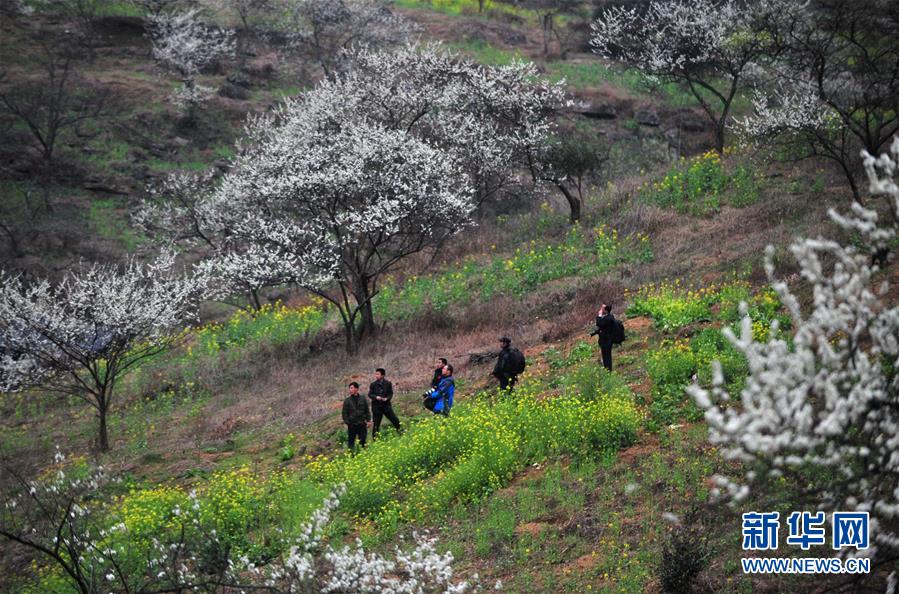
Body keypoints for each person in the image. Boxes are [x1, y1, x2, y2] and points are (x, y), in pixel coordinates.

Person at [369, 368, 401, 438]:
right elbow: (370, 394)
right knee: (376, 424)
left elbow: (390, 393)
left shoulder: (388, 383)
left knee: (395, 420)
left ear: (382, 375)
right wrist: (376, 397)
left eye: (378, 374)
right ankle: (375, 439)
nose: (376, 376)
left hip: (386, 406)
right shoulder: (373, 384)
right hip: (376, 407)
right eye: (376, 374)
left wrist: (386, 398)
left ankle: (401, 432)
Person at [342, 382, 371, 453]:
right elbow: (344, 413)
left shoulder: (363, 399)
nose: (350, 390)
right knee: (351, 441)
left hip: (362, 423)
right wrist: (348, 423)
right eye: (350, 388)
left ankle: (364, 454)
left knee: (363, 440)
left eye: (352, 388)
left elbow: (367, 410)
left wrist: (368, 421)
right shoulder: (347, 401)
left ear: (356, 389)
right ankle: (351, 455)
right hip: (352, 424)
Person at [591, 303, 616, 371]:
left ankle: (608, 369)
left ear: (606, 310)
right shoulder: (610, 316)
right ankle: (608, 368)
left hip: (606, 340)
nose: (601, 310)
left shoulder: (607, 318)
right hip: (608, 339)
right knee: (607, 355)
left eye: (602, 309)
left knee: (606, 355)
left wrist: (599, 314)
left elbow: (599, 323)